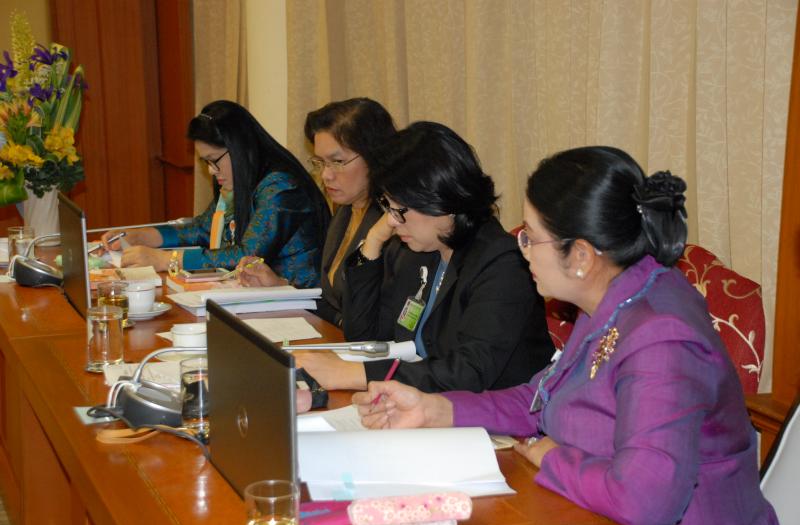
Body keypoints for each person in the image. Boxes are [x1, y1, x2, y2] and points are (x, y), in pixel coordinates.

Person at [352, 146, 779, 525]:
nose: (521, 249)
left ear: (580, 256)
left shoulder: (661, 336)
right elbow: (540, 397)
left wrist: (551, 457)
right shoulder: (610, 295)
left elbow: (645, 502)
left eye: (530, 237)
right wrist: (434, 409)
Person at [294, 121, 554, 392]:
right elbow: (363, 335)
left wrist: (355, 374)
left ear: (442, 200)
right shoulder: (416, 250)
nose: (392, 221)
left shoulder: (502, 264)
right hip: (420, 403)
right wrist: (372, 242)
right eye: (387, 206)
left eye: (399, 209)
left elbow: (469, 371)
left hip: (491, 413)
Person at [101, 100, 330, 288]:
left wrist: (166, 260)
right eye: (206, 162)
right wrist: (142, 236)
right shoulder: (243, 180)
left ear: (239, 150)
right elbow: (203, 228)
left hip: (304, 304)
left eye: (214, 160)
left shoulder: (281, 187)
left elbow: (245, 256)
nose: (211, 171)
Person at [238, 98, 397, 325]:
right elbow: (330, 300)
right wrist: (281, 286)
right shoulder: (345, 212)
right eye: (320, 162)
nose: (325, 175)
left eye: (337, 161)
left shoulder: (394, 224)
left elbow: (373, 321)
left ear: (374, 157)